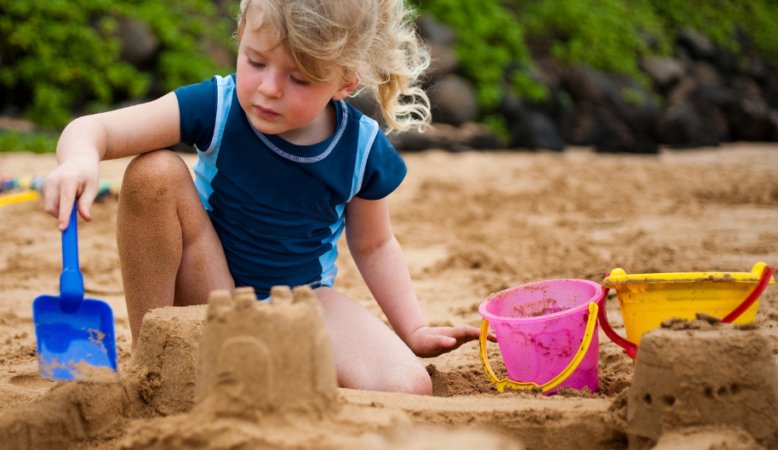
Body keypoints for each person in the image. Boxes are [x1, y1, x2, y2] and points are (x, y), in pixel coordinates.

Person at [43, 0, 491, 396]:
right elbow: (94, 129)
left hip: (298, 304)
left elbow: (374, 245)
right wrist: (80, 159)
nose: (269, 88)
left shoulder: (361, 148)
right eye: (255, 61)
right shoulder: (218, 105)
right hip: (209, 294)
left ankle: (263, 365)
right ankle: (157, 361)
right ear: (241, 39)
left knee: (408, 385)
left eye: (298, 77)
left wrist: (412, 329)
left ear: (345, 81)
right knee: (153, 171)